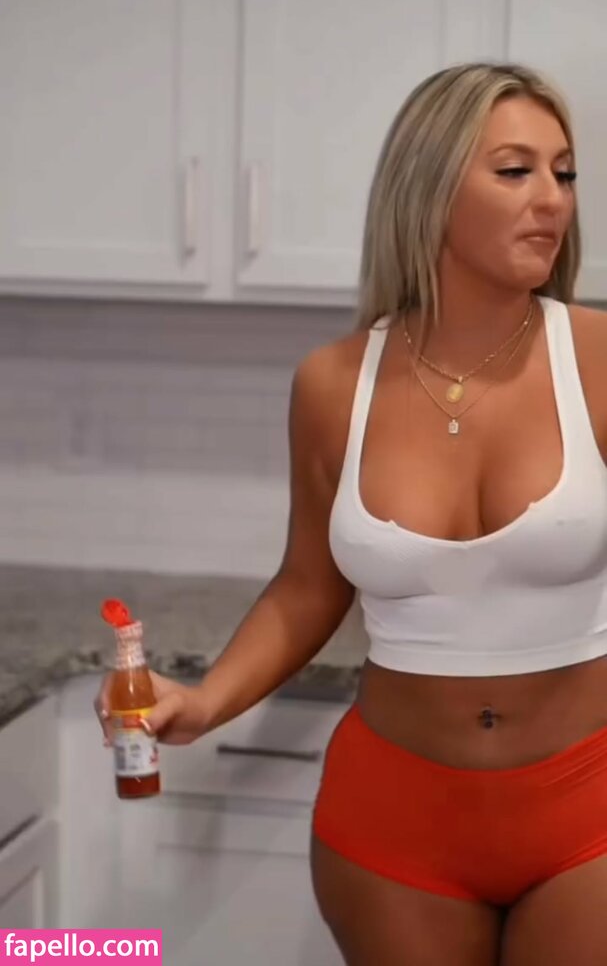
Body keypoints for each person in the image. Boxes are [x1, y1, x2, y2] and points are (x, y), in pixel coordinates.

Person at [96, 61, 607, 965]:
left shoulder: (597, 360)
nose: (552, 200)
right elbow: (307, 586)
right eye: (513, 170)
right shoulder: (334, 383)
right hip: (394, 821)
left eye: (562, 173)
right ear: (428, 188)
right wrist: (203, 700)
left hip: (586, 806)